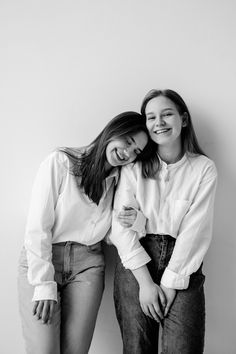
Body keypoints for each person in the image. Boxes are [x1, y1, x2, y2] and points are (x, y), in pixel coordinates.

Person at [17, 111, 155, 354]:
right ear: (113, 130)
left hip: (88, 265)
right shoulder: (61, 162)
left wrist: (139, 222)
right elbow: (38, 228)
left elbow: (112, 234)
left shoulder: (118, 180)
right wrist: (43, 284)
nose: (128, 153)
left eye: (136, 152)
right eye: (128, 141)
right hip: (43, 260)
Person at [110, 89, 218, 354]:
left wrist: (170, 283)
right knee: (137, 348)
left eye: (166, 114)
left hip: (184, 266)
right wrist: (147, 284)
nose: (158, 123)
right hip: (136, 265)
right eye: (151, 117)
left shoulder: (203, 169)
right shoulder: (133, 167)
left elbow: (194, 231)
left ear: (183, 119)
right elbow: (120, 229)